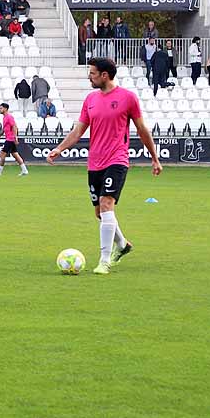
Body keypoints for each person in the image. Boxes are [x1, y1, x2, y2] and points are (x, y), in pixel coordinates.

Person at [47, 57, 162, 275]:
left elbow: (142, 129)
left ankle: (104, 261)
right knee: (100, 213)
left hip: (117, 159)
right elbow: (79, 130)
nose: (89, 77)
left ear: (104, 75)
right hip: (95, 162)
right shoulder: (90, 99)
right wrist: (59, 149)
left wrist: (154, 158)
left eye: (92, 73)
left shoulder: (128, 98)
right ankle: (123, 244)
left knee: (107, 204)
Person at [0, 102, 28, 177]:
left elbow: (14, 126)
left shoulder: (9, 117)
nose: (0, 109)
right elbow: (4, 129)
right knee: (15, 155)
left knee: (2, 153)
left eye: (1, 108)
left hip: (10, 139)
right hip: (10, 139)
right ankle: (24, 170)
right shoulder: (5, 117)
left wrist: (15, 137)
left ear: (5, 109)